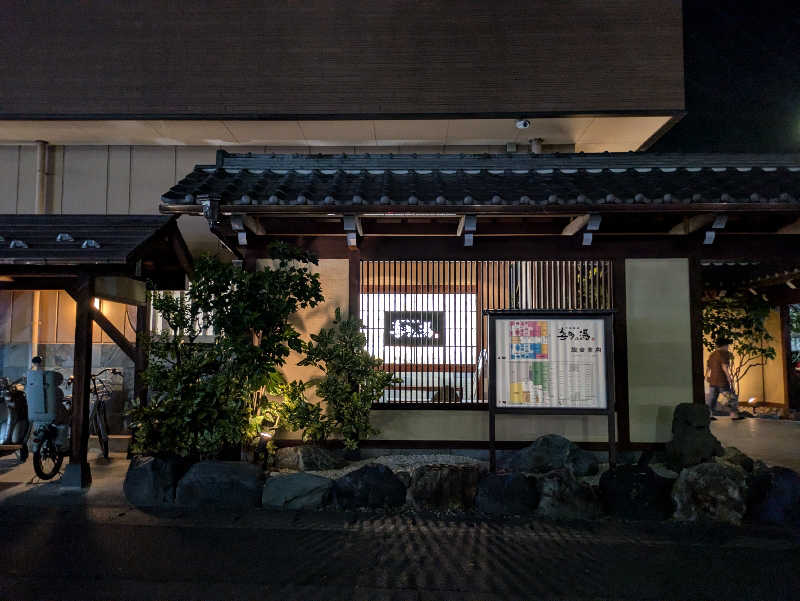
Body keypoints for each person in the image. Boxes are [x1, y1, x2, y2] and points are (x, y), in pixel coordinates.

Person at [705, 338, 744, 420]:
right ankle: (734, 415)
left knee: (712, 399)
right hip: (721, 380)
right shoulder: (724, 353)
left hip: (712, 380)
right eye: (727, 345)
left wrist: (706, 376)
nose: (728, 347)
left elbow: (708, 367)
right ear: (724, 346)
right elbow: (724, 366)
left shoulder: (712, 354)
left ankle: (709, 415)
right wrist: (728, 377)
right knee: (731, 398)